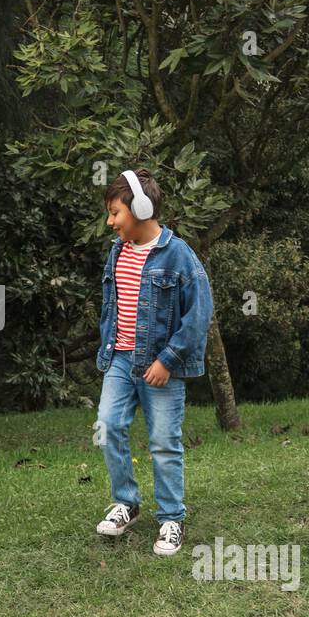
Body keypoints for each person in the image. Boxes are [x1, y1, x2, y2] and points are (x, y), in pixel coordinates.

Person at [93, 168, 214, 556]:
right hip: (120, 360)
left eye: (115, 213)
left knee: (163, 442)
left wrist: (168, 359)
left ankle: (171, 519)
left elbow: (199, 315)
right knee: (108, 426)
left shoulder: (179, 256)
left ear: (141, 208)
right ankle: (126, 503)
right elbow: (112, 308)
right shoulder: (118, 252)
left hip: (161, 365)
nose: (110, 222)